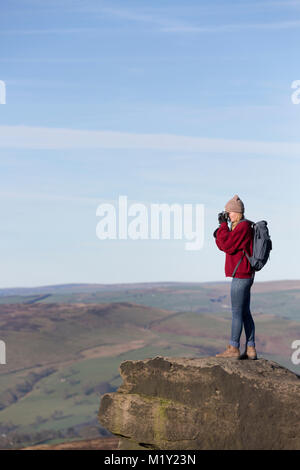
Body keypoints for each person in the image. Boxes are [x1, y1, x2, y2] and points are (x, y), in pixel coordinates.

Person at [213, 194, 257, 360]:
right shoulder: (239, 227)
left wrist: (222, 227)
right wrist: (222, 229)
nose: (227, 215)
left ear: (237, 212)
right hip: (244, 274)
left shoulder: (243, 227)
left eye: (229, 212)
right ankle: (251, 348)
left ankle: (233, 348)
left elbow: (228, 245)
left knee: (237, 312)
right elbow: (224, 245)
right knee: (245, 312)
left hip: (241, 275)